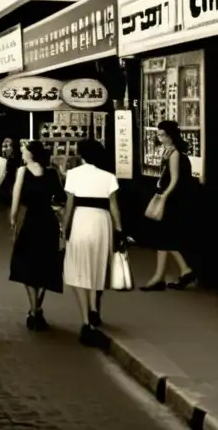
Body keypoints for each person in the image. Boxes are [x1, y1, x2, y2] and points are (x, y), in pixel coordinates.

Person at [61, 139, 124, 344]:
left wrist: (65, 229)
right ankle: (95, 308)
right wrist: (119, 231)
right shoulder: (109, 177)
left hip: (81, 220)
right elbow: (114, 207)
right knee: (97, 266)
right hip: (102, 222)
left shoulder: (73, 174)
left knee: (80, 269)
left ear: (82, 154)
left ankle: (86, 321)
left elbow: (70, 205)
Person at [8, 139, 66, 331]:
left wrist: (13, 222)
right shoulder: (52, 173)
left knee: (26, 265)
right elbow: (59, 199)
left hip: (30, 222)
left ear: (31, 154)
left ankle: (34, 309)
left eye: (24, 150)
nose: (22, 153)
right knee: (45, 265)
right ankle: (37, 308)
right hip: (48, 223)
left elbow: (15, 201)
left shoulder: (22, 172)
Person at [141, 120, 198, 291]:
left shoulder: (174, 154)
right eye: (158, 135)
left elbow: (174, 179)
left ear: (170, 135)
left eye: (162, 135)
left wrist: (164, 195)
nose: (160, 138)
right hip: (172, 198)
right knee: (166, 238)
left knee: (165, 238)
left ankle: (165, 276)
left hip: (172, 199)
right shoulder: (170, 152)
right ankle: (182, 272)